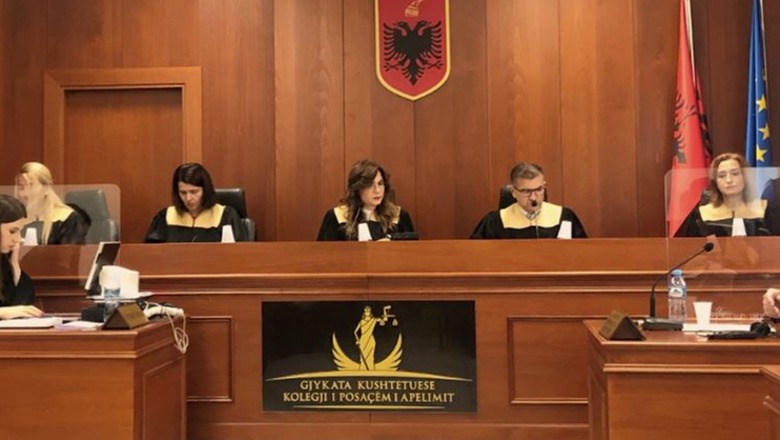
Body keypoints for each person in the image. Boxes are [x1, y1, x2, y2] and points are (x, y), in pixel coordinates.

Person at [471, 162, 587, 239]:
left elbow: (582, 254)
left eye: (538, 190)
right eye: (526, 191)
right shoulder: (495, 222)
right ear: (513, 192)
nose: (533, 197)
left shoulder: (564, 216)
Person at [145, 163, 247, 243]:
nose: (188, 198)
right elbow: (151, 254)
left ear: (205, 190)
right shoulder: (165, 217)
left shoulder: (226, 216)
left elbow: (241, 253)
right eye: (183, 193)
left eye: (194, 192)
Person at [317, 159, 415, 241]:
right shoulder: (337, 217)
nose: (377, 190)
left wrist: (389, 240)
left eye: (380, 184)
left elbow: (413, 246)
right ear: (357, 188)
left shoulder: (398, 216)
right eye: (370, 185)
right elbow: (323, 254)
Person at [675, 153, 769, 237]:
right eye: (721, 176)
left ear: (745, 177)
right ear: (715, 182)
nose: (729, 180)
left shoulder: (764, 209)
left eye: (735, 174)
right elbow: (684, 246)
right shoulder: (702, 214)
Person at [16, 162, 89, 245]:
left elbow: (70, 251)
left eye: (31, 186)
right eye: (21, 187)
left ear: (46, 188)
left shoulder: (67, 218)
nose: (25, 193)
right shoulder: (15, 220)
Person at [0, 195, 44, 319]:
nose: (19, 239)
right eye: (12, 231)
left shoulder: (3, 261)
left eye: (20, 231)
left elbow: (23, 307)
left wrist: (14, 266)